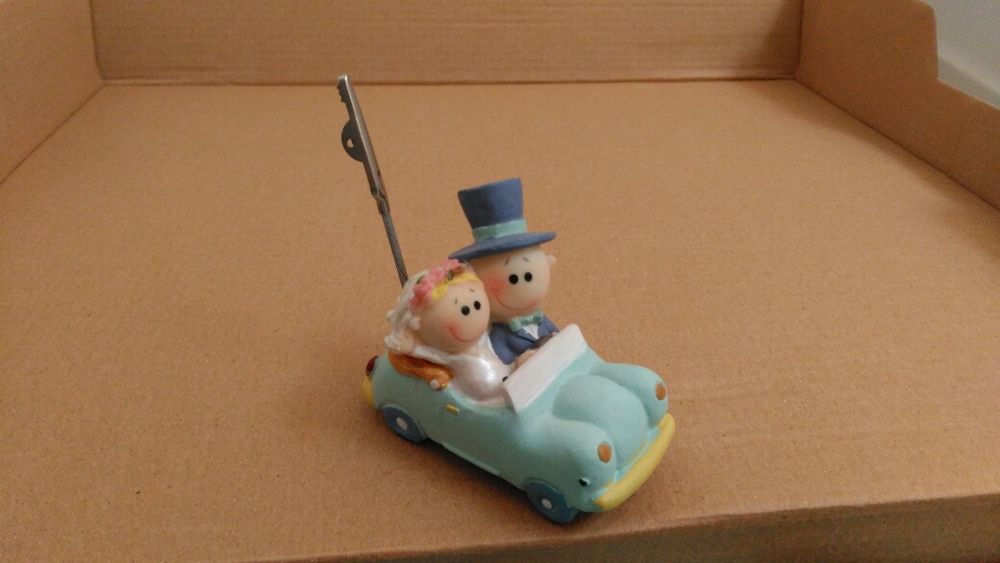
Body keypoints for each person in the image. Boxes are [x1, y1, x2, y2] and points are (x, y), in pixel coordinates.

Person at [449, 178, 558, 367]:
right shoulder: (498, 337)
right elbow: (498, 369)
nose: (523, 286)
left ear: (547, 264)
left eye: (529, 276)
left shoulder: (542, 321)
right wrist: (518, 364)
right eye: (513, 279)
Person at [384, 259, 509, 405]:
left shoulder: (483, 338)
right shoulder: (448, 356)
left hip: (507, 384)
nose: (473, 318)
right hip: (486, 400)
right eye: (464, 311)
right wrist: (412, 347)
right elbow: (430, 354)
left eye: (477, 305)